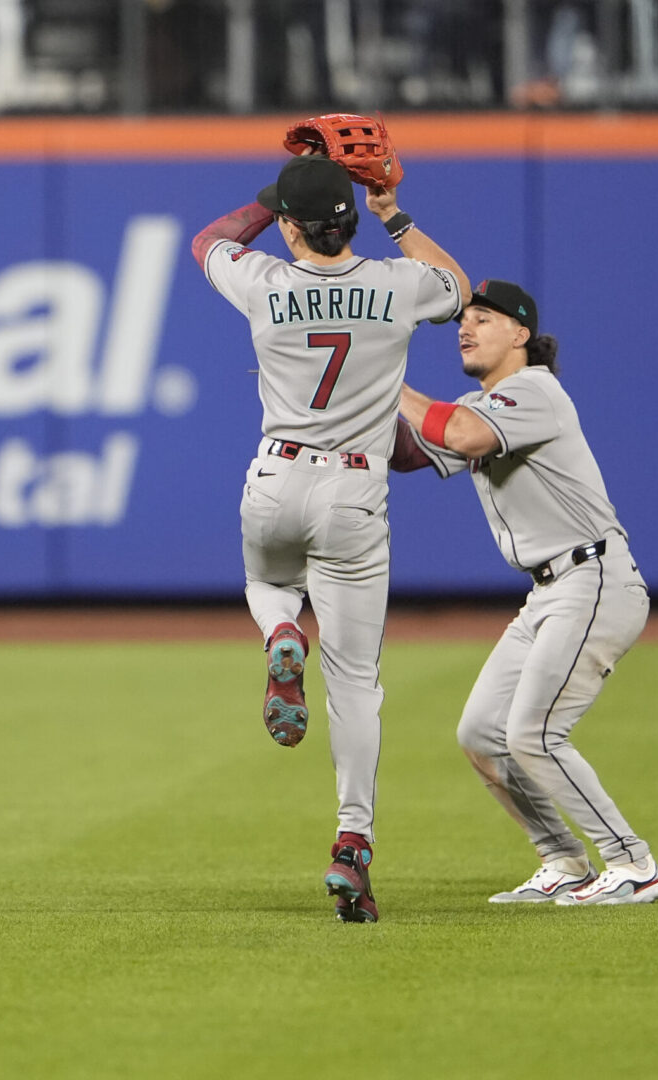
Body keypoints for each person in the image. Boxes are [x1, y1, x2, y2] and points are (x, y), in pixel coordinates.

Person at [192, 154, 470, 922]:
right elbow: (458, 289)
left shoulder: (264, 282)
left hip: (277, 474)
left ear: (289, 227)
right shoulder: (395, 282)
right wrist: (393, 213)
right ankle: (352, 842)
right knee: (355, 684)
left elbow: (207, 240)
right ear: (345, 221)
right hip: (356, 488)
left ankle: (281, 633)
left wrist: (270, 194)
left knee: (266, 584)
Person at [392, 279, 658, 906]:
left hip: (594, 579)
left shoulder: (536, 392)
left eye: (483, 318)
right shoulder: (479, 404)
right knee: (481, 732)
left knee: (534, 734)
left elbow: (460, 435)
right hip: (548, 594)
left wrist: (386, 379)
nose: (466, 327)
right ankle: (564, 860)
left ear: (520, 334)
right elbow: (412, 451)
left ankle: (634, 865)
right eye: (463, 318)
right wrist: (328, 411)